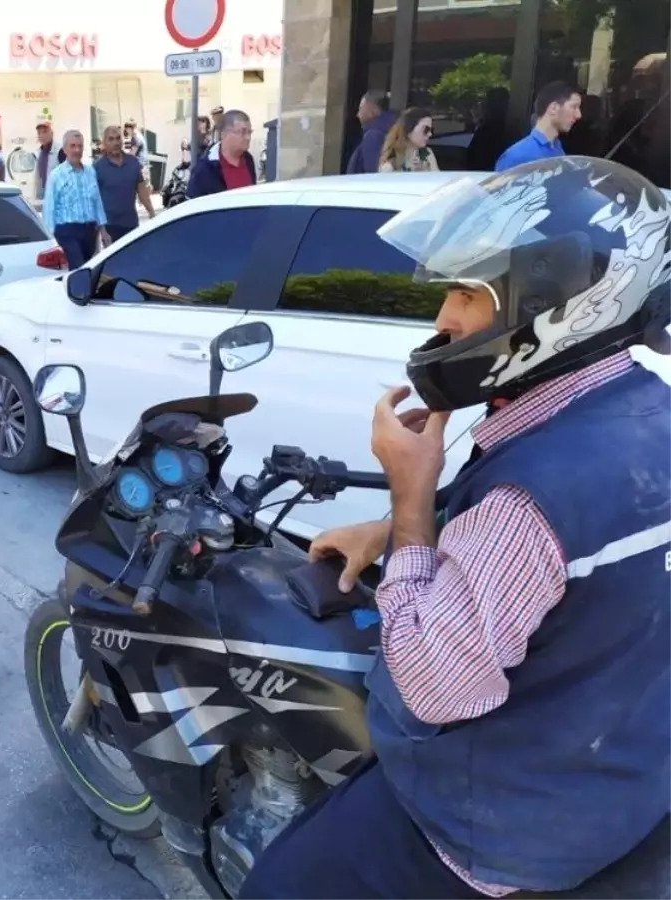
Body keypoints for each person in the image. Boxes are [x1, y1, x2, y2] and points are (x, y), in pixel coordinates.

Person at [238, 156, 671, 900]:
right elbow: (578, 558)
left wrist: (412, 500)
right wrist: (399, 527)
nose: (444, 318)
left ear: (558, 304)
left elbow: (434, 688)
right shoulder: (645, 415)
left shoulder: (528, 499)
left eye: (469, 292)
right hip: (627, 782)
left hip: (497, 831)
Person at [42, 129, 109, 269]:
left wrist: (103, 230)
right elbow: (49, 208)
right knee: (78, 270)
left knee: (89, 269)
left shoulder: (90, 172)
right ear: (65, 149)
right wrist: (51, 240)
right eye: (73, 146)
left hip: (89, 231)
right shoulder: (56, 175)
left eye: (80, 146)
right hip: (67, 232)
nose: (77, 150)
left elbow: (97, 202)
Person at [495, 80, 581, 171]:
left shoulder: (557, 147)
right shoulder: (517, 156)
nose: (579, 115)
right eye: (574, 107)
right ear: (554, 108)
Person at [95, 124, 155, 243]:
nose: (116, 142)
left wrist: (152, 213)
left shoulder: (133, 163)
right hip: (110, 227)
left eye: (118, 138)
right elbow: (95, 201)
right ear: (104, 143)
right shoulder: (98, 168)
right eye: (111, 139)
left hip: (131, 224)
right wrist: (102, 231)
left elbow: (142, 192)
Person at [187, 109, 257, 199]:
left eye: (249, 132)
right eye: (242, 132)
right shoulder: (205, 168)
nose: (248, 137)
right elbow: (191, 204)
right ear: (224, 134)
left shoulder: (248, 160)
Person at [346, 90, 397, 174]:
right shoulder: (392, 129)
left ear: (372, 109)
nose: (358, 115)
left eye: (360, 108)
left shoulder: (374, 135)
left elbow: (372, 174)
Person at [378, 107, 439, 172]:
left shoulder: (426, 153)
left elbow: (438, 178)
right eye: (425, 129)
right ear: (409, 128)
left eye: (431, 130)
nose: (430, 134)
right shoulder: (391, 162)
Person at [33, 120, 66, 209]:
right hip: (42, 198)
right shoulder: (39, 152)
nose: (41, 135)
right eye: (39, 132)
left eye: (45, 132)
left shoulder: (61, 150)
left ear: (52, 133)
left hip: (58, 199)